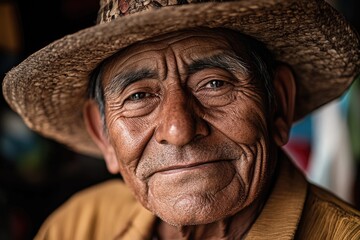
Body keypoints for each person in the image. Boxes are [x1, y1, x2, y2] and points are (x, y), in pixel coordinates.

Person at [2, 0, 360, 239]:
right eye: (139, 96)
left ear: (278, 104)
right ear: (103, 135)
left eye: (214, 84)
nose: (179, 130)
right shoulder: (80, 226)